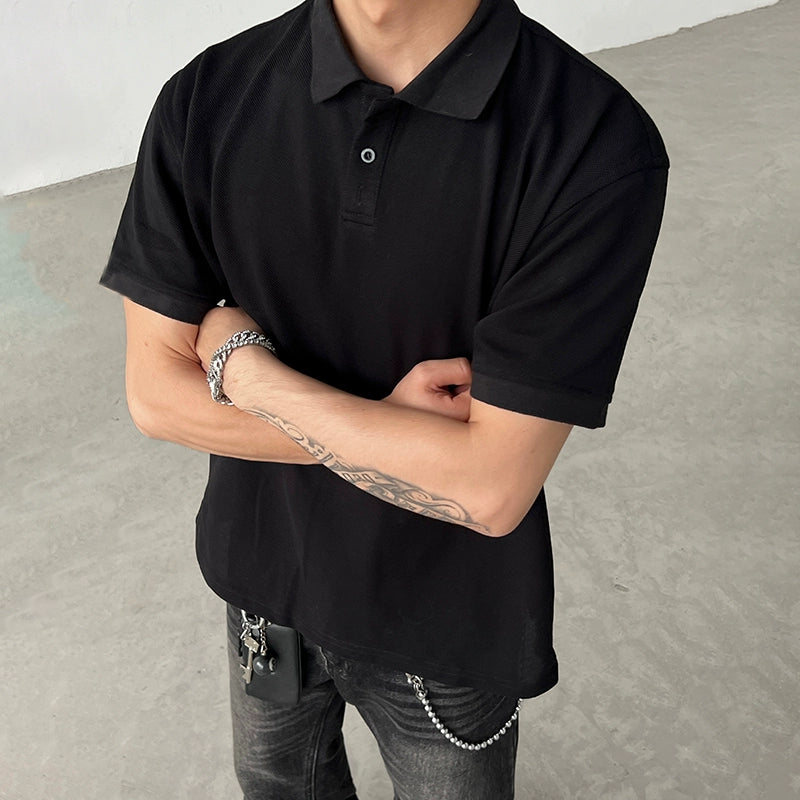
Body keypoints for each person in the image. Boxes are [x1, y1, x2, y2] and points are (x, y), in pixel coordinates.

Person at [101, 0, 668, 796]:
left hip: (444, 632)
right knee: (277, 782)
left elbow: (489, 488)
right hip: (264, 588)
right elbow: (156, 397)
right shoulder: (209, 96)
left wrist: (249, 373)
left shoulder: (591, 139)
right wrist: (397, 431)